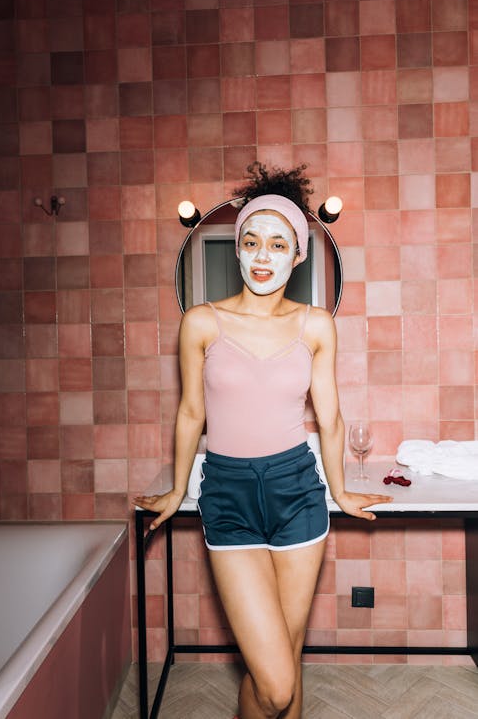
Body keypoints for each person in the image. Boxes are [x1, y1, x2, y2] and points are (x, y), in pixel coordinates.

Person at [135, 164, 393, 719]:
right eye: (251, 241)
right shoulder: (202, 322)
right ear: (237, 249)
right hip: (227, 495)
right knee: (274, 682)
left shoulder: (316, 324)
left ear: (298, 255)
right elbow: (189, 414)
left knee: (286, 662)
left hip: (297, 490)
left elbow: (331, 417)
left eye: (278, 244)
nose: (262, 255)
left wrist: (342, 493)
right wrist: (178, 488)